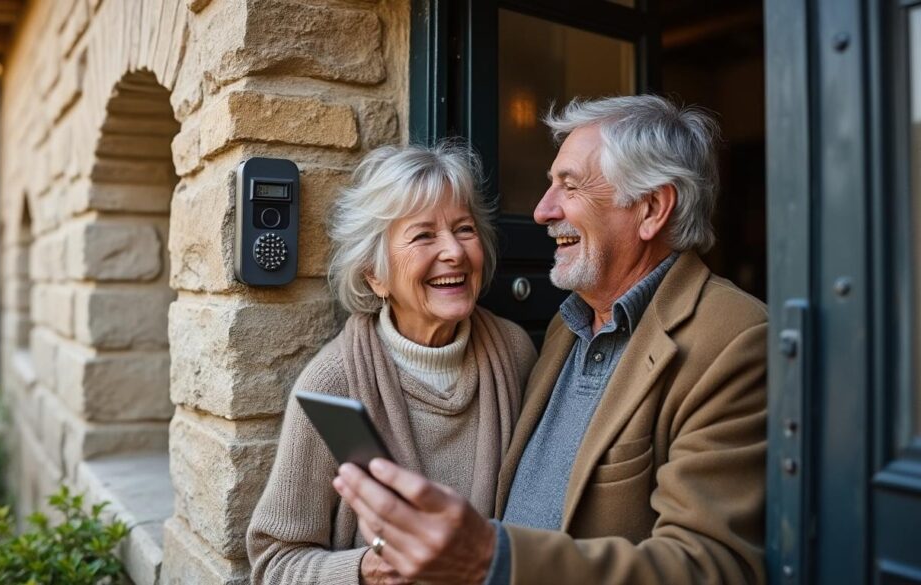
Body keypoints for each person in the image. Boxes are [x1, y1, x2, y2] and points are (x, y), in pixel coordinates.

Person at [332, 95, 768, 585]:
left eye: (570, 186)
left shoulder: (735, 338)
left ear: (650, 208)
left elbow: (714, 568)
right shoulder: (567, 326)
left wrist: (492, 559)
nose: (541, 211)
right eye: (549, 185)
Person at [246, 142, 538, 585]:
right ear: (375, 275)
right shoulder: (332, 382)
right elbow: (275, 563)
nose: (454, 253)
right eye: (423, 235)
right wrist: (365, 571)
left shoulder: (514, 352)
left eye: (464, 229)